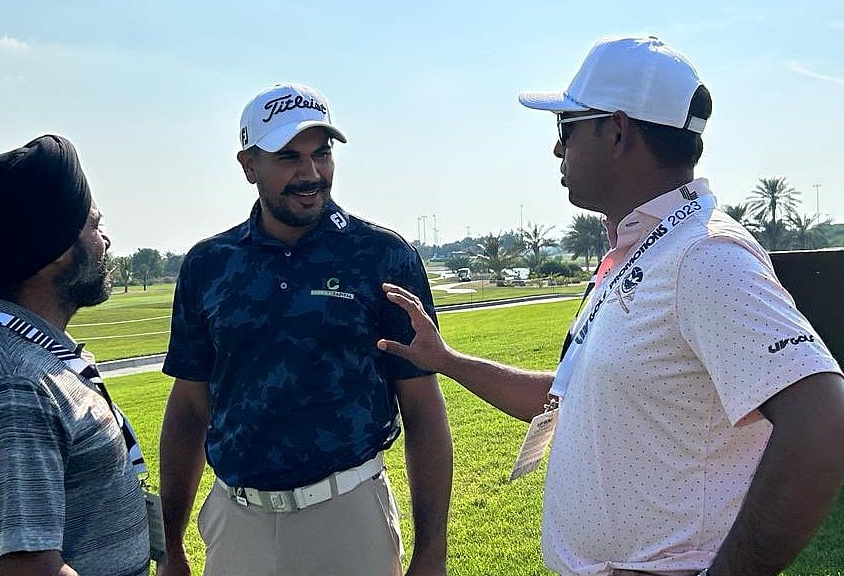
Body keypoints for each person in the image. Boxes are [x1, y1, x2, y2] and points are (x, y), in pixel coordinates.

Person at [379, 36, 844, 576]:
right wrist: (448, 360)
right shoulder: (646, 248)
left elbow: (823, 417)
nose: (558, 149)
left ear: (617, 131)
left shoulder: (703, 256)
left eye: (567, 128)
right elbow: (566, 398)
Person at [159, 83, 453, 576]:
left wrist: (431, 552)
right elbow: (189, 405)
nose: (310, 173)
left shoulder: (382, 256)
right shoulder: (208, 265)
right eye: (288, 157)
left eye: (321, 153)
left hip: (347, 517)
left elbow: (422, 408)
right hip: (238, 522)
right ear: (249, 165)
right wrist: (172, 545)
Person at [0, 135, 151, 576]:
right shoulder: (11, 383)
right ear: (54, 251)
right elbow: (33, 570)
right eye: (92, 224)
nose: (104, 240)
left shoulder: (32, 358)